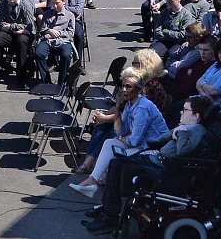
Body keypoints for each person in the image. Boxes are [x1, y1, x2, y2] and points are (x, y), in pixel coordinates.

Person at [83, 95, 219, 234]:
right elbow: (162, 139)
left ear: (196, 116)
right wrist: (173, 133)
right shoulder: (184, 127)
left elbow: (183, 150)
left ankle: (109, 215)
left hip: (166, 169)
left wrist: (181, 133)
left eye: (185, 110)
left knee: (120, 167)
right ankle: (108, 208)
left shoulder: (198, 130)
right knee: (115, 162)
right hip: (156, 159)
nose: (181, 112)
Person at [68, 66, 169, 197]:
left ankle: (110, 201)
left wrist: (120, 139)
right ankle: (91, 182)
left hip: (154, 148)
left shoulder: (142, 108)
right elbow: (121, 130)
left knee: (117, 159)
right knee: (109, 143)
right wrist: (117, 109)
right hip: (142, 144)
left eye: (129, 86)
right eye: (123, 86)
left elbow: (134, 141)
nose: (124, 90)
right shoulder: (130, 104)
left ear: (138, 89)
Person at [32, 0, 77, 85]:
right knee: (39, 53)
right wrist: (48, 30)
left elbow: (71, 33)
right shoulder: (47, 14)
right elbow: (41, 29)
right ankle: (46, 81)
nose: (55, 6)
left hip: (63, 41)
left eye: (57, 3)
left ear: (63, 2)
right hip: (48, 40)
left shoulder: (69, 15)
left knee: (66, 55)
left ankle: (61, 81)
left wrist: (59, 33)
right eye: (53, 3)